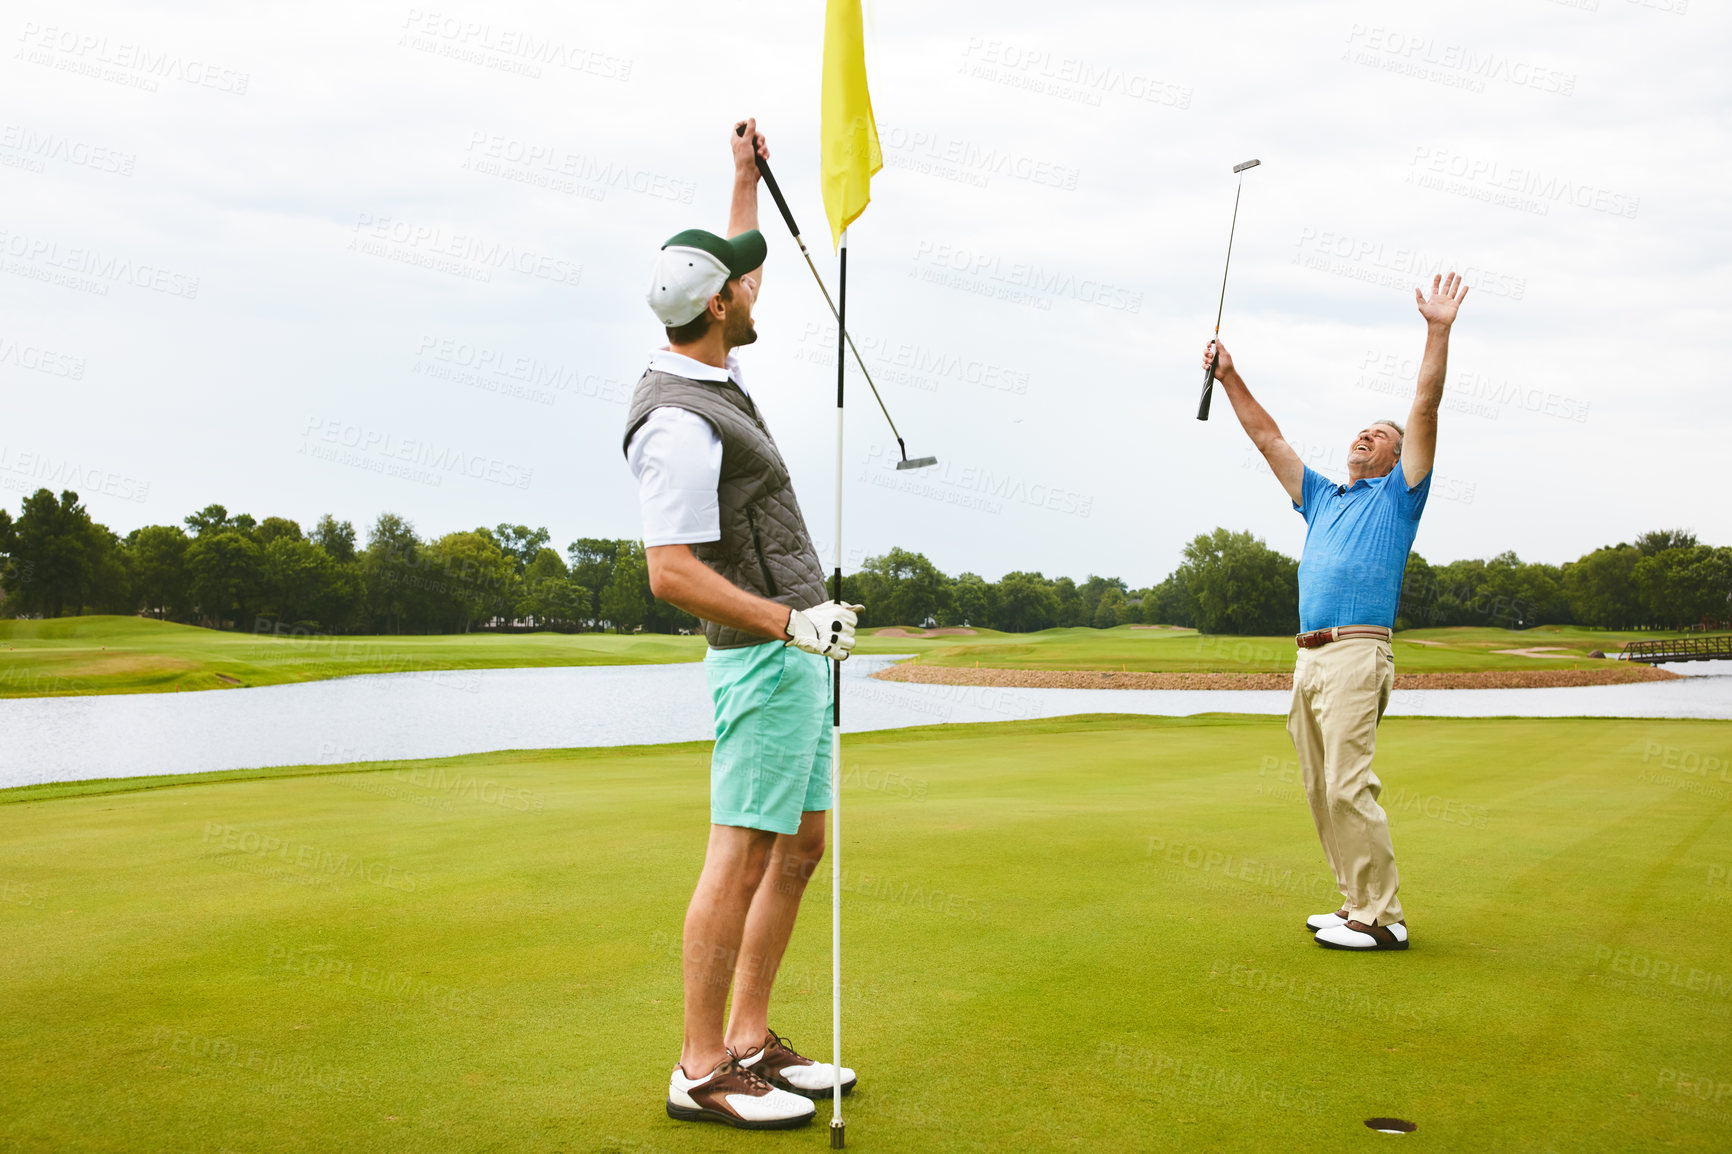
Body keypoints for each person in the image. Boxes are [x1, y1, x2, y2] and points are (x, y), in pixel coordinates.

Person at [625, 118, 862, 1130]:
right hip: (765, 658)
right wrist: (787, 623)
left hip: (796, 652)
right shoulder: (677, 419)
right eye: (738, 283)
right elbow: (670, 573)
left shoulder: (716, 365)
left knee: (799, 844)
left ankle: (752, 1038)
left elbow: (745, 263)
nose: (752, 288)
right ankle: (699, 1064)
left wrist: (741, 179)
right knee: (740, 852)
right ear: (716, 306)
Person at [1204, 272, 1470, 951]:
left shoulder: (1399, 496)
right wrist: (1230, 376)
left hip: (1357, 651)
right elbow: (1269, 440)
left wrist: (1437, 331)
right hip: (1308, 656)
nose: (1367, 435)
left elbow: (1426, 409)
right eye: (1363, 430)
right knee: (1320, 786)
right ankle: (1355, 900)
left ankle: (1382, 918)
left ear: (1394, 455)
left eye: (1380, 434)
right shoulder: (1322, 498)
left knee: (1349, 783)